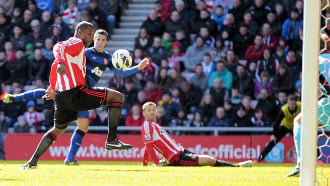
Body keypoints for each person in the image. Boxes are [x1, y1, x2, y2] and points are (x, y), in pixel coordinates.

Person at [6, 28, 149, 166]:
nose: (100, 42)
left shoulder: (107, 58)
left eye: (103, 40)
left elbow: (121, 73)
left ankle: (57, 159)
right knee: (53, 99)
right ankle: (17, 98)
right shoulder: (84, 52)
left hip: (83, 94)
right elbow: (61, 56)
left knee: (75, 127)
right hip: (77, 89)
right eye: (98, 39)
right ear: (93, 40)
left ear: (106, 42)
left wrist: (137, 68)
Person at [141, 101, 253, 167]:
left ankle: (237, 165)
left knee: (208, 160)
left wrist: (145, 163)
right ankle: (237, 166)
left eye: (153, 109)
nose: (152, 112)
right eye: (148, 110)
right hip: (176, 157)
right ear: (144, 113)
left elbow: (148, 145)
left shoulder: (154, 124)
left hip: (180, 151)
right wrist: (156, 163)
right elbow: (149, 145)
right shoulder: (147, 125)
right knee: (209, 160)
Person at [256, 94, 301, 162]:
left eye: (293, 104)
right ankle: (259, 158)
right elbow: (276, 123)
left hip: (296, 126)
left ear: (296, 103)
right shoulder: (284, 110)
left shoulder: (301, 106)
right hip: (285, 126)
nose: (291, 106)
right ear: (287, 103)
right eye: (290, 104)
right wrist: (274, 134)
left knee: (308, 140)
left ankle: (317, 158)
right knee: (273, 141)